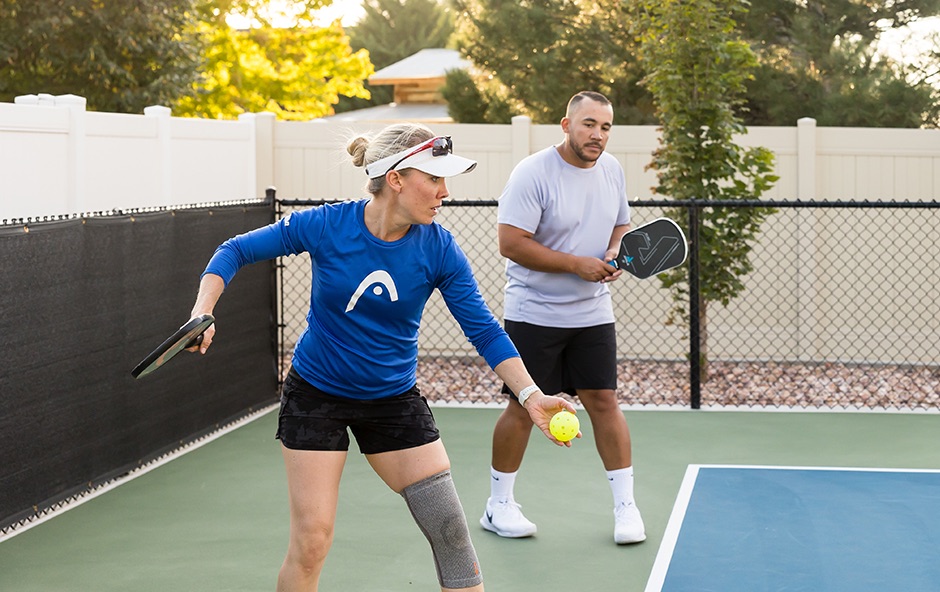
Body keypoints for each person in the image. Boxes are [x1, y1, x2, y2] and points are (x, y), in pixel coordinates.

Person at [185, 123, 579, 592]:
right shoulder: (327, 225)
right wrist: (203, 312)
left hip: (393, 401)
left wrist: (531, 396)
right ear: (396, 179)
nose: (445, 192)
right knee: (312, 543)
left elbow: (484, 330)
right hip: (316, 397)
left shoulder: (439, 248)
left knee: (451, 534)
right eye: (434, 179)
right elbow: (234, 250)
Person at [479, 91, 646, 545]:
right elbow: (511, 243)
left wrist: (614, 250)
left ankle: (626, 507)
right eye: (589, 124)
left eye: (606, 127)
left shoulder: (612, 170)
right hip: (534, 312)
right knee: (522, 407)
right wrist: (576, 264)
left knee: (605, 402)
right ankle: (498, 505)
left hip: (593, 312)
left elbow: (621, 224)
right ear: (566, 125)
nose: (598, 135)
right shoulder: (532, 173)